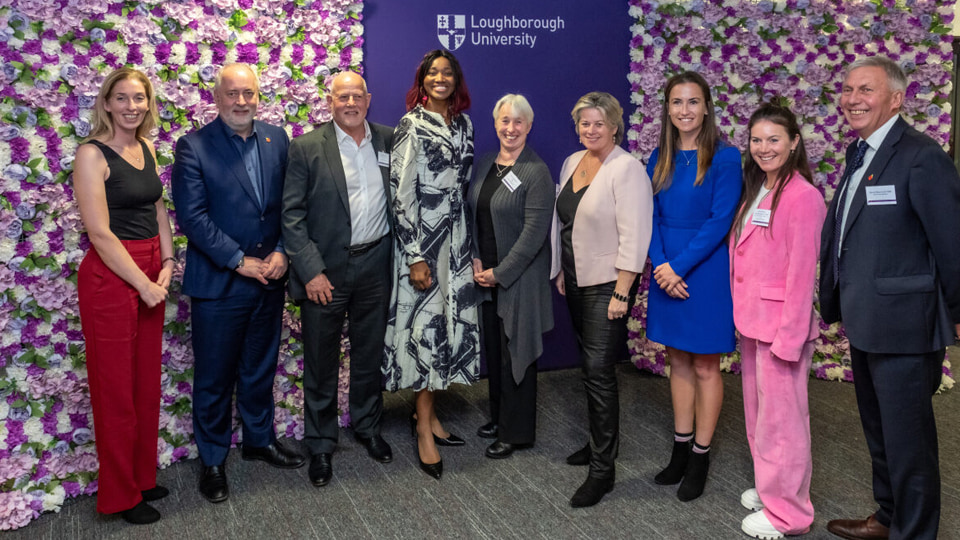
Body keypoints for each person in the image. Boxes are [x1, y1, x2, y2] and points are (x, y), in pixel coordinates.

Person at [820, 56, 960, 540]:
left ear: (896, 98)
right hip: (867, 320)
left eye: (866, 90)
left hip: (906, 326)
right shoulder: (860, 152)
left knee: (910, 445)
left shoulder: (922, 156)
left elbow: (952, 241)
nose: (852, 99)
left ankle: (914, 533)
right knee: (881, 435)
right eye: (847, 89)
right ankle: (888, 517)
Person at [171, 63, 303, 504]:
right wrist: (238, 260)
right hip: (220, 285)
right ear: (217, 97)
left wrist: (283, 250)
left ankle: (258, 441)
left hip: (270, 280)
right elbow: (193, 218)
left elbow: (289, 204)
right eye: (233, 94)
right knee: (214, 378)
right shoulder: (193, 147)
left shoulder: (276, 138)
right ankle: (212, 460)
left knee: (259, 368)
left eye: (249, 93)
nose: (242, 101)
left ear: (258, 95)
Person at [281, 71, 394, 488]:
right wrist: (310, 270)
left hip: (376, 266)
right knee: (321, 361)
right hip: (325, 273)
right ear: (330, 101)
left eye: (357, 96)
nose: (350, 103)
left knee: (368, 356)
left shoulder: (388, 139)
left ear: (369, 98)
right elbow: (291, 215)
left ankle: (367, 428)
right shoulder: (307, 147)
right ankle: (322, 444)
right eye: (342, 96)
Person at [74, 67, 174, 524]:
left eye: (140, 98)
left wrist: (169, 263)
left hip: (153, 271)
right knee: (115, 391)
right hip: (114, 276)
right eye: (122, 98)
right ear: (107, 103)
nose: (132, 106)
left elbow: (157, 208)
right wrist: (143, 283)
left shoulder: (146, 148)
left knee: (144, 383)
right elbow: (99, 232)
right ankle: (119, 495)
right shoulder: (91, 155)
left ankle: (141, 475)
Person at [645, 71, 742, 502]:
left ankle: (701, 456)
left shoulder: (725, 156)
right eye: (677, 102)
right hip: (666, 266)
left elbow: (720, 221)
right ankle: (680, 448)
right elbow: (645, 216)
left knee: (705, 365)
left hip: (703, 270)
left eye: (693, 102)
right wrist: (661, 263)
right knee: (677, 361)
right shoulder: (657, 157)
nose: (685, 110)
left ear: (707, 107)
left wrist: (677, 267)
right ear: (667, 108)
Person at [383, 49, 480, 480]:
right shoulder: (412, 124)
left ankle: (432, 416)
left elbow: (463, 188)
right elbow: (400, 194)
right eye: (432, 73)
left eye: (447, 73)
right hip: (423, 245)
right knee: (425, 330)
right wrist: (415, 255)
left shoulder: (463, 125)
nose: (440, 78)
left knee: (445, 330)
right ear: (422, 81)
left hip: (455, 244)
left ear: (456, 81)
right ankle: (422, 426)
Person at [730, 103, 825, 539]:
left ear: (793, 143)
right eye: (756, 139)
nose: (764, 148)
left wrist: (789, 337)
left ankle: (789, 515)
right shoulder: (761, 188)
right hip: (755, 323)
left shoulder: (803, 196)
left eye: (773, 139)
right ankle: (773, 491)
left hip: (781, 329)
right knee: (761, 417)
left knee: (783, 424)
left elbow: (803, 275)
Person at [553, 91, 653, 507]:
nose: (590, 130)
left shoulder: (627, 169)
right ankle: (599, 444)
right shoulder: (572, 162)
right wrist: (560, 269)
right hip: (575, 279)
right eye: (584, 123)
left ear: (615, 126)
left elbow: (635, 233)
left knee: (598, 370)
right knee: (588, 367)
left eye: (599, 123)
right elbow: (563, 222)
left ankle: (602, 471)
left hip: (608, 285)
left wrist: (622, 291)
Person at [467, 94, 554, 459]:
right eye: (504, 120)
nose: (510, 128)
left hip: (518, 278)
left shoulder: (537, 171)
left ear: (529, 126)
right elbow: (471, 214)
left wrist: (500, 273)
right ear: (495, 123)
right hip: (485, 275)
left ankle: (516, 432)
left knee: (516, 350)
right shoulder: (487, 162)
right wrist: (475, 259)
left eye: (518, 122)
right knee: (496, 349)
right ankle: (500, 417)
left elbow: (535, 234)